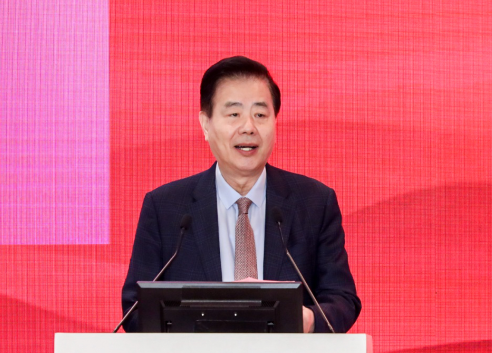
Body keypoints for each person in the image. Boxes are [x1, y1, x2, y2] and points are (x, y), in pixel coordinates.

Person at [121, 56, 361, 333]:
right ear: (206, 124)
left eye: (260, 115)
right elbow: (135, 308)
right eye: (234, 114)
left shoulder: (315, 203)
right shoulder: (165, 208)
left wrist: (309, 319)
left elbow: (342, 299)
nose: (248, 127)